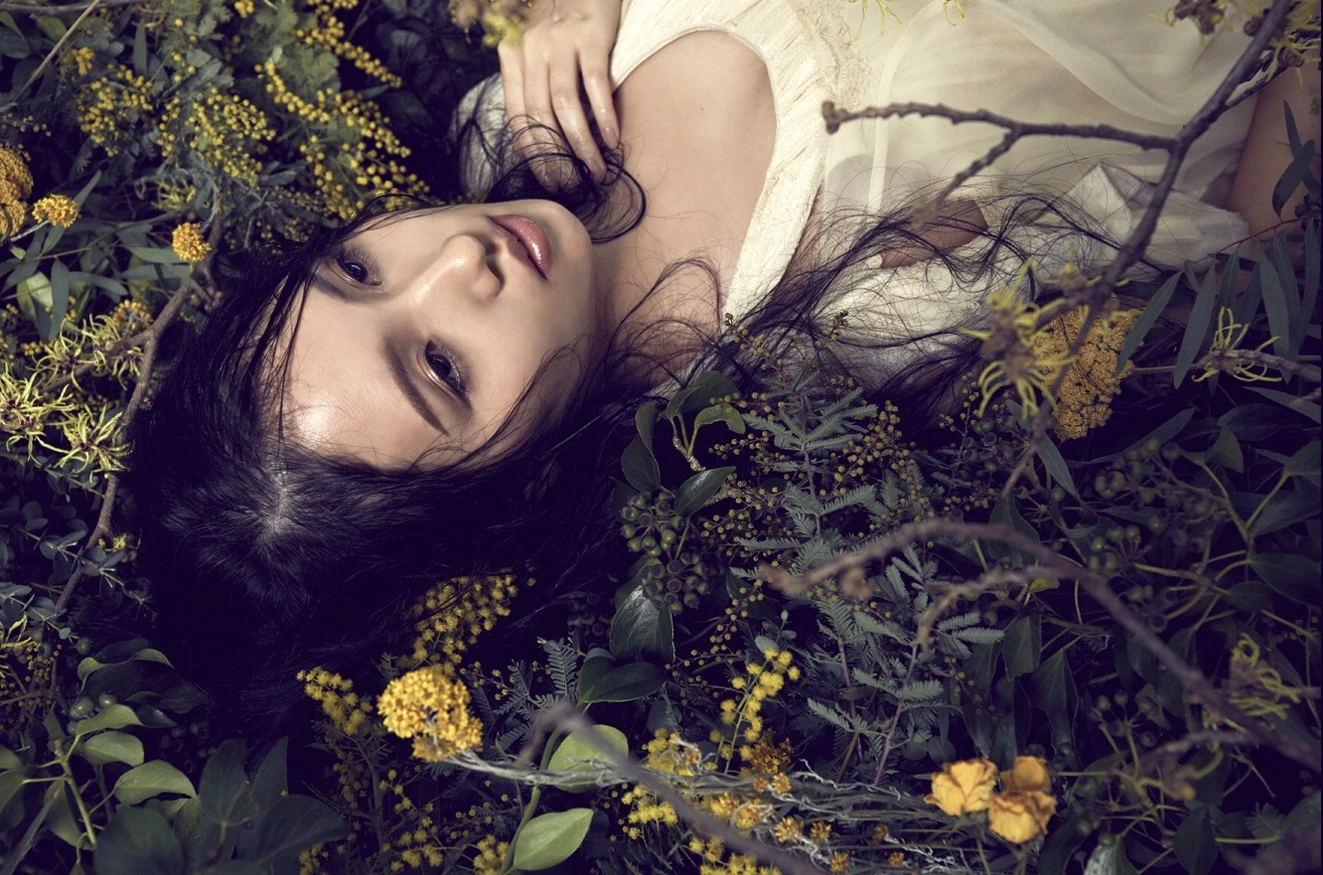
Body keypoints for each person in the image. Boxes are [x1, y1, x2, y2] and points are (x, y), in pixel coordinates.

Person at [118, 0, 1317, 738]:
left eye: (357, 268)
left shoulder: (516, 114)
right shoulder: (864, 335)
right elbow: (1262, 242)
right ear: (520, 486)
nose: (451, 262)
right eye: (440, 365)